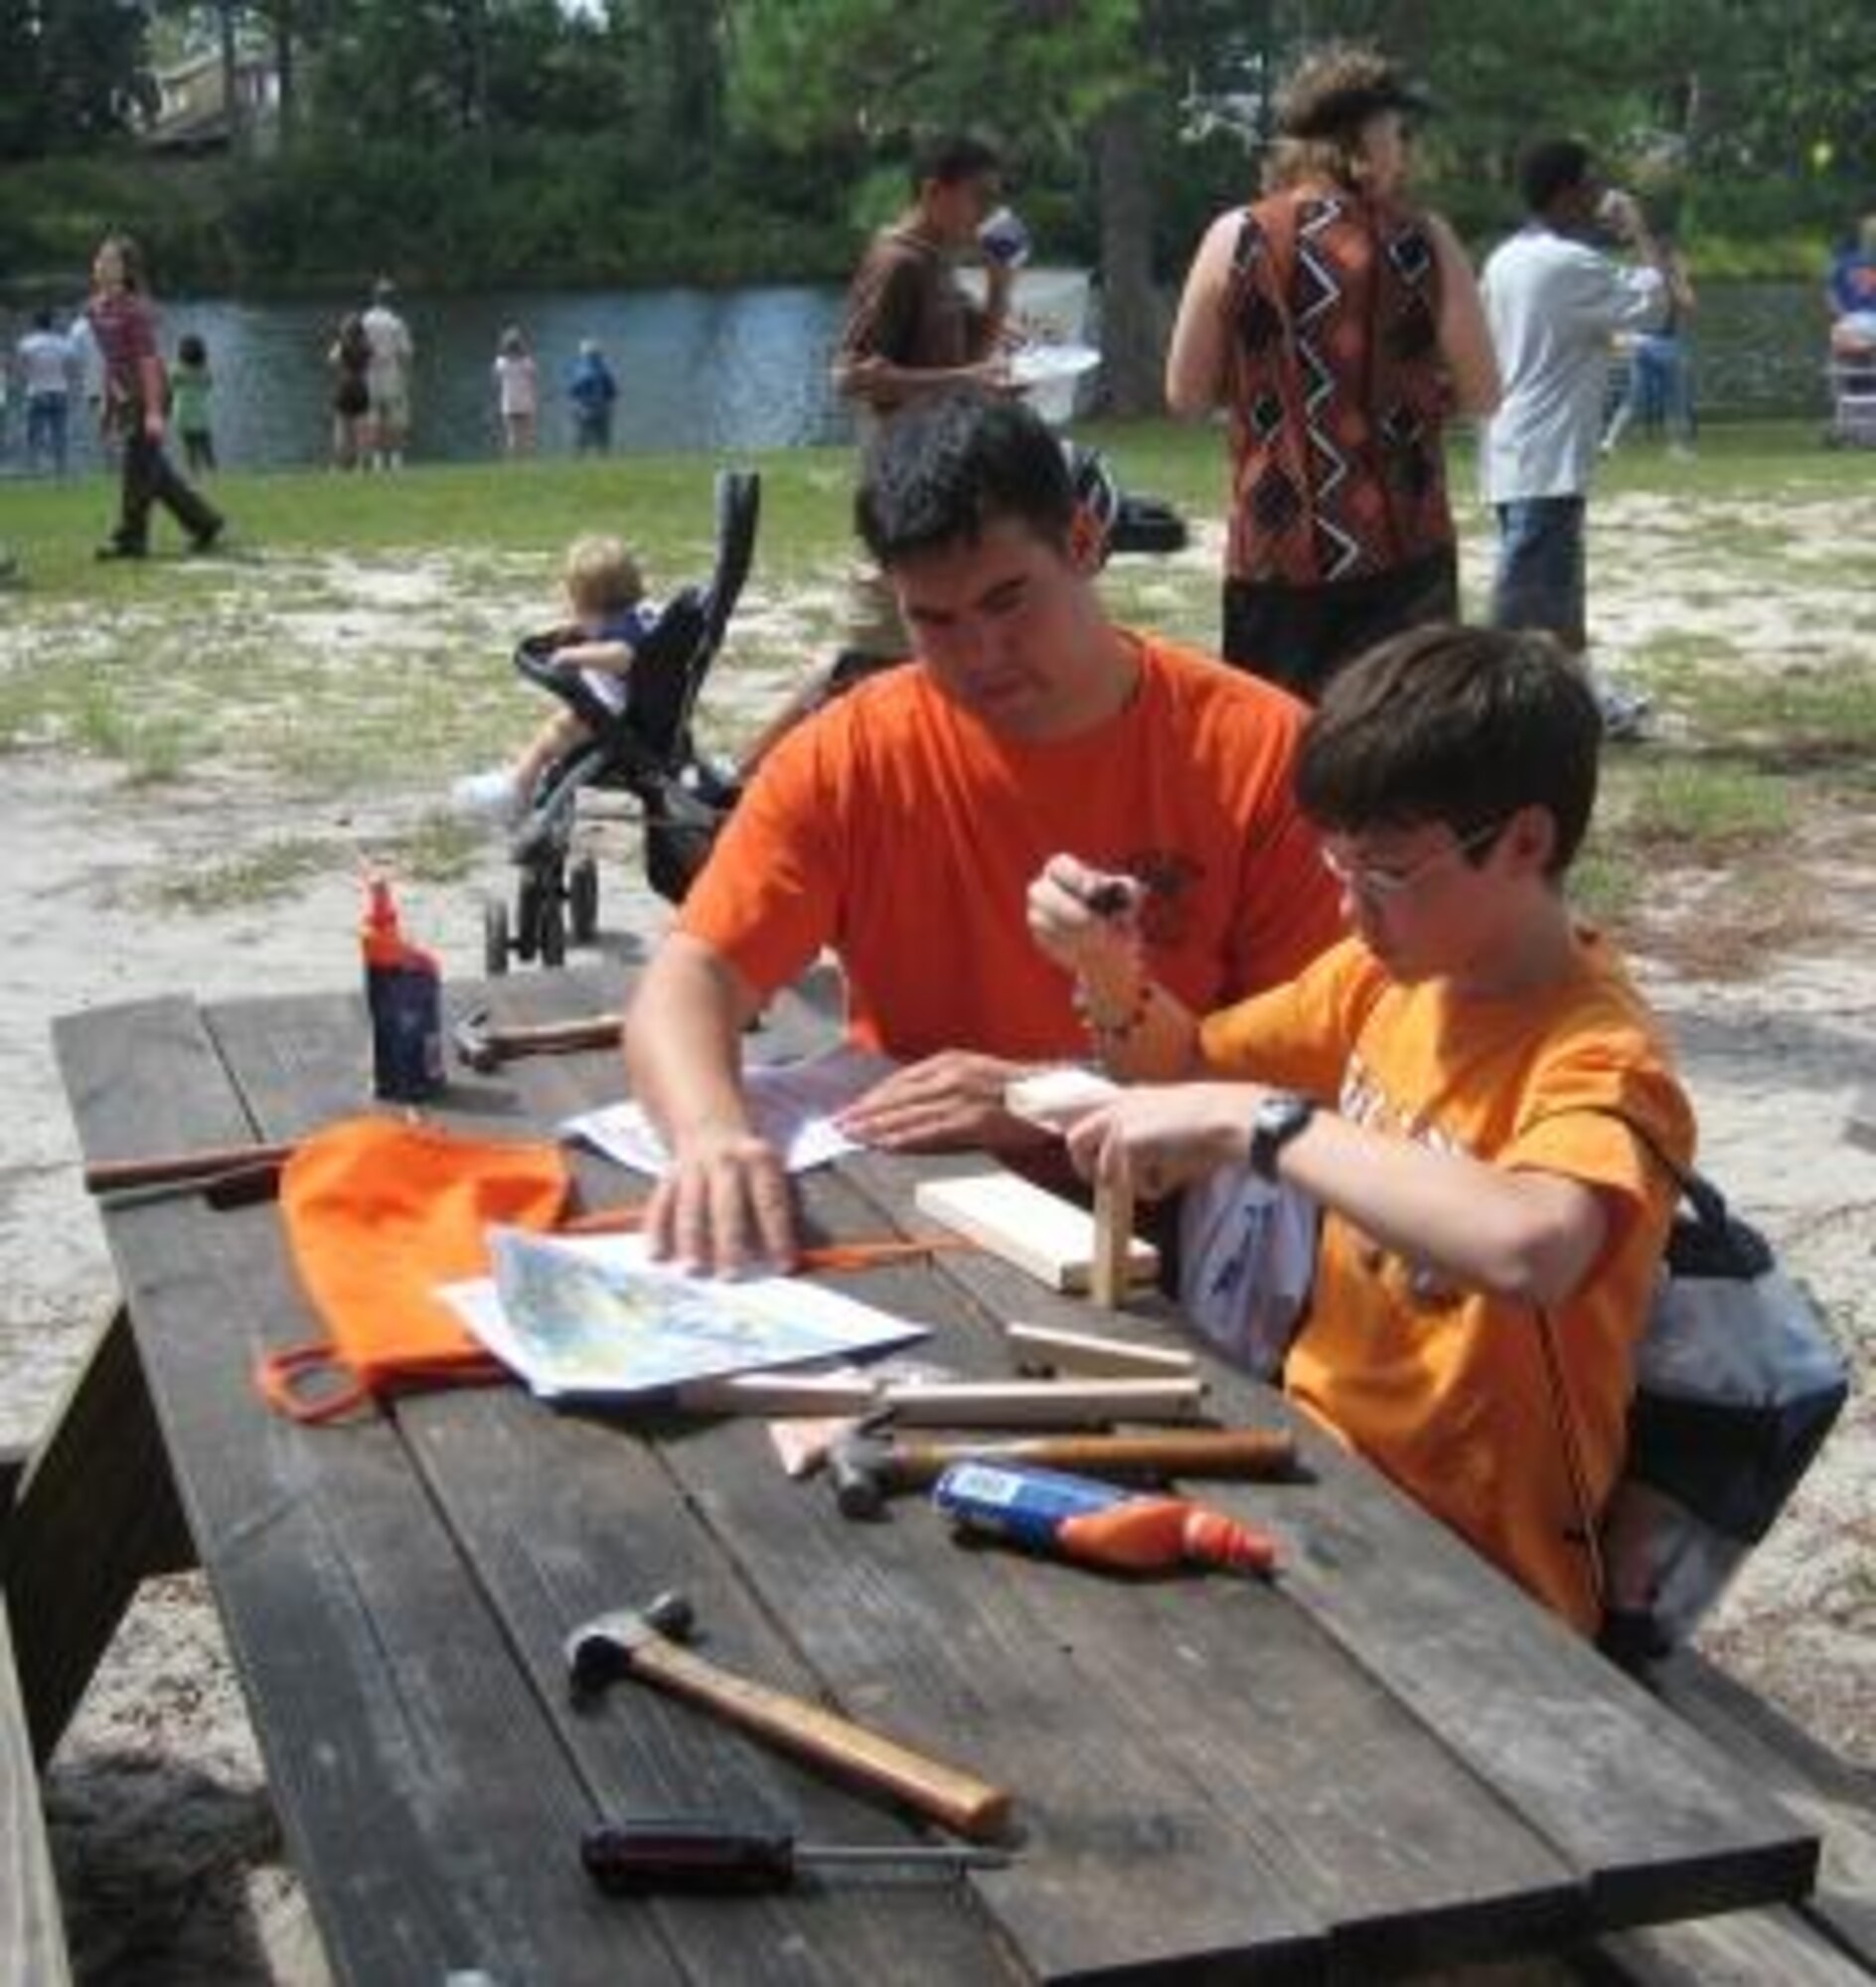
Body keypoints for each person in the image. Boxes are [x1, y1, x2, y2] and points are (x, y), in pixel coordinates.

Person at [1034, 624, 1693, 1635]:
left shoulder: (1601, 1056)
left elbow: (1530, 1245)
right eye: (1335, 867)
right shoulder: (1381, 979)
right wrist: (1107, 966)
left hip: (1482, 1583)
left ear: (1524, 842)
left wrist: (1258, 1120)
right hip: (1316, 1478)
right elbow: (1188, 1065)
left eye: (1382, 875)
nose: (1350, 912)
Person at [624, 388, 1342, 1276]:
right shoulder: (851, 752)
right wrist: (708, 1139)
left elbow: (1325, 1080)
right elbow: (689, 979)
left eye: (1009, 602)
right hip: (916, 1214)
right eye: (935, 621)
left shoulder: (1265, 753)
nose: (980, 654)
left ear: (1083, 543)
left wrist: (1049, 1096)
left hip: (1189, 1241)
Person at [1164, 44, 1499, 702]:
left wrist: (1276, 390)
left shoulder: (1235, 236)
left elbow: (1184, 395)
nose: (1404, 150)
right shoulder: (1424, 241)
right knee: (1402, 751)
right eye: (1399, 133)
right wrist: (1406, 393)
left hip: (1275, 550)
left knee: (1282, 745)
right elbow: (1485, 391)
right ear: (1365, 137)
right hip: (1404, 545)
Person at [1480, 140, 1668, 738]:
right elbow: (1656, 305)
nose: (1599, 195)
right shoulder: (1567, 264)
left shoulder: (1506, 258)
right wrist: (1639, 230)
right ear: (1564, 193)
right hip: (1547, 456)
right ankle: (1479, 716)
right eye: (1590, 184)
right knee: (1520, 605)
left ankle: (1590, 699)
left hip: (1513, 450)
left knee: (1559, 593)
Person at [830, 133, 1018, 672]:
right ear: (935, 191)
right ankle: (766, 759)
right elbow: (850, 376)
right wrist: (969, 380)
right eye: (980, 197)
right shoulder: (898, 262)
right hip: (893, 474)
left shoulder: (936, 260)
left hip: (931, 472)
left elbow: (973, 349)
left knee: (918, 651)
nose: (989, 214)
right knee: (868, 659)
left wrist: (1000, 284)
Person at [452, 534, 654, 827]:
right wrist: (579, 632)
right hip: (641, 705)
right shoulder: (639, 615)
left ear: (587, 602)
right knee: (551, 734)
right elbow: (616, 636)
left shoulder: (619, 637)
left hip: (612, 717)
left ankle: (514, 793)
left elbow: (623, 655)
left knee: (550, 736)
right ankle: (523, 772)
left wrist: (573, 656)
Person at [85, 234, 225, 561]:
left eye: (110, 260)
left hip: (153, 394)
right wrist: (107, 401)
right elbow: (111, 359)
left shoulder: (136, 310)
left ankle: (131, 539)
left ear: (126, 270)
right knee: (154, 471)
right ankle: (205, 523)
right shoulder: (93, 309)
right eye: (99, 258)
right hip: (125, 397)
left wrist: (152, 411)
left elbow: (148, 362)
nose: (101, 265)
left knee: (136, 466)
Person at [1602, 230, 1697, 457]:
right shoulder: (1669, 277)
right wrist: (1681, 277)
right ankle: (1676, 447)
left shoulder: (1644, 276)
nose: (1682, 259)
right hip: (1665, 344)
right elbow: (1690, 305)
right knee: (1675, 398)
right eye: (1677, 255)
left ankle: (1608, 442)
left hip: (1639, 343)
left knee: (1633, 399)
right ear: (1670, 256)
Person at [361, 275, 414, 469]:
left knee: (373, 417)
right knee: (395, 418)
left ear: (374, 298)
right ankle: (396, 459)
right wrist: (408, 379)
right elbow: (406, 354)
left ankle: (376, 460)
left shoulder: (364, 320)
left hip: (369, 375)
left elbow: (359, 350)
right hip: (392, 374)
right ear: (392, 299)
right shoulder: (396, 322)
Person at [16, 309, 76, 476]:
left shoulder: (27, 343)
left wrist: (27, 381)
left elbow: (22, 369)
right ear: (52, 324)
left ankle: (33, 466)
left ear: (34, 324)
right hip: (59, 390)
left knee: (34, 433)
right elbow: (70, 369)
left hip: (36, 391)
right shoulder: (63, 343)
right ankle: (61, 467)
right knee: (60, 432)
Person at [328, 312, 373, 469]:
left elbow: (332, 360)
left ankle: (338, 464)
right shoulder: (366, 346)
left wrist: (340, 342)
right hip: (361, 387)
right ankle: (361, 465)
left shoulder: (342, 345)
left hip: (344, 386)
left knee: (341, 428)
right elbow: (370, 363)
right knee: (362, 429)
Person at [170, 332, 217, 476]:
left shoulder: (176, 370)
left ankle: (194, 475)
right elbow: (209, 385)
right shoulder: (205, 370)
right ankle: (214, 472)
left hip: (182, 415)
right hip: (202, 415)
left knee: (189, 448)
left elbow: (170, 387)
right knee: (206, 447)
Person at [492, 325, 538, 456]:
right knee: (527, 436)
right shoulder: (527, 362)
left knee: (511, 436)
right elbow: (534, 379)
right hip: (526, 402)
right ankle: (527, 463)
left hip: (509, 402)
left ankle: (513, 464)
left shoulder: (501, 363)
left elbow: (496, 379)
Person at [567, 338, 619, 453]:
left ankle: (578, 460)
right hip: (601, 408)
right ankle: (603, 461)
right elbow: (612, 391)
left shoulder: (578, 369)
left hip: (584, 409)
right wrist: (609, 404)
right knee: (602, 439)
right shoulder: (604, 368)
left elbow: (573, 391)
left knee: (582, 439)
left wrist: (575, 406)